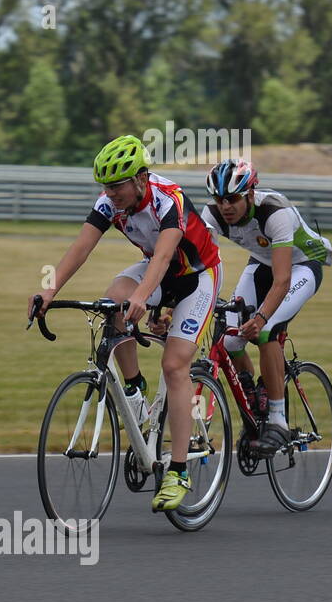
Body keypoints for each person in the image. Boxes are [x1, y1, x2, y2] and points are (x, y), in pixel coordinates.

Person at [31, 135, 222, 513]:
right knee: (111, 302)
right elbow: (80, 248)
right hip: (159, 271)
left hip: (197, 276)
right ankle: (134, 389)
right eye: (105, 185)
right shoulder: (109, 205)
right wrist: (48, 291)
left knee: (175, 364)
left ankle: (179, 471)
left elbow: (165, 256)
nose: (110, 193)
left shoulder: (170, 199)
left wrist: (142, 297)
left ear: (140, 179)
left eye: (117, 184)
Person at [200, 158, 332, 454]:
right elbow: (201, 266)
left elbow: (282, 280)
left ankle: (278, 420)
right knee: (231, 337)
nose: (226, 207)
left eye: (233, 199)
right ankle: (251, 397)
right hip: (261, 263)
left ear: (249, 194)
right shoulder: (211, 215)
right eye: (220, 200)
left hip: (302, 266)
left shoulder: (275, 212)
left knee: (266, 330)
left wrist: (260, 317)